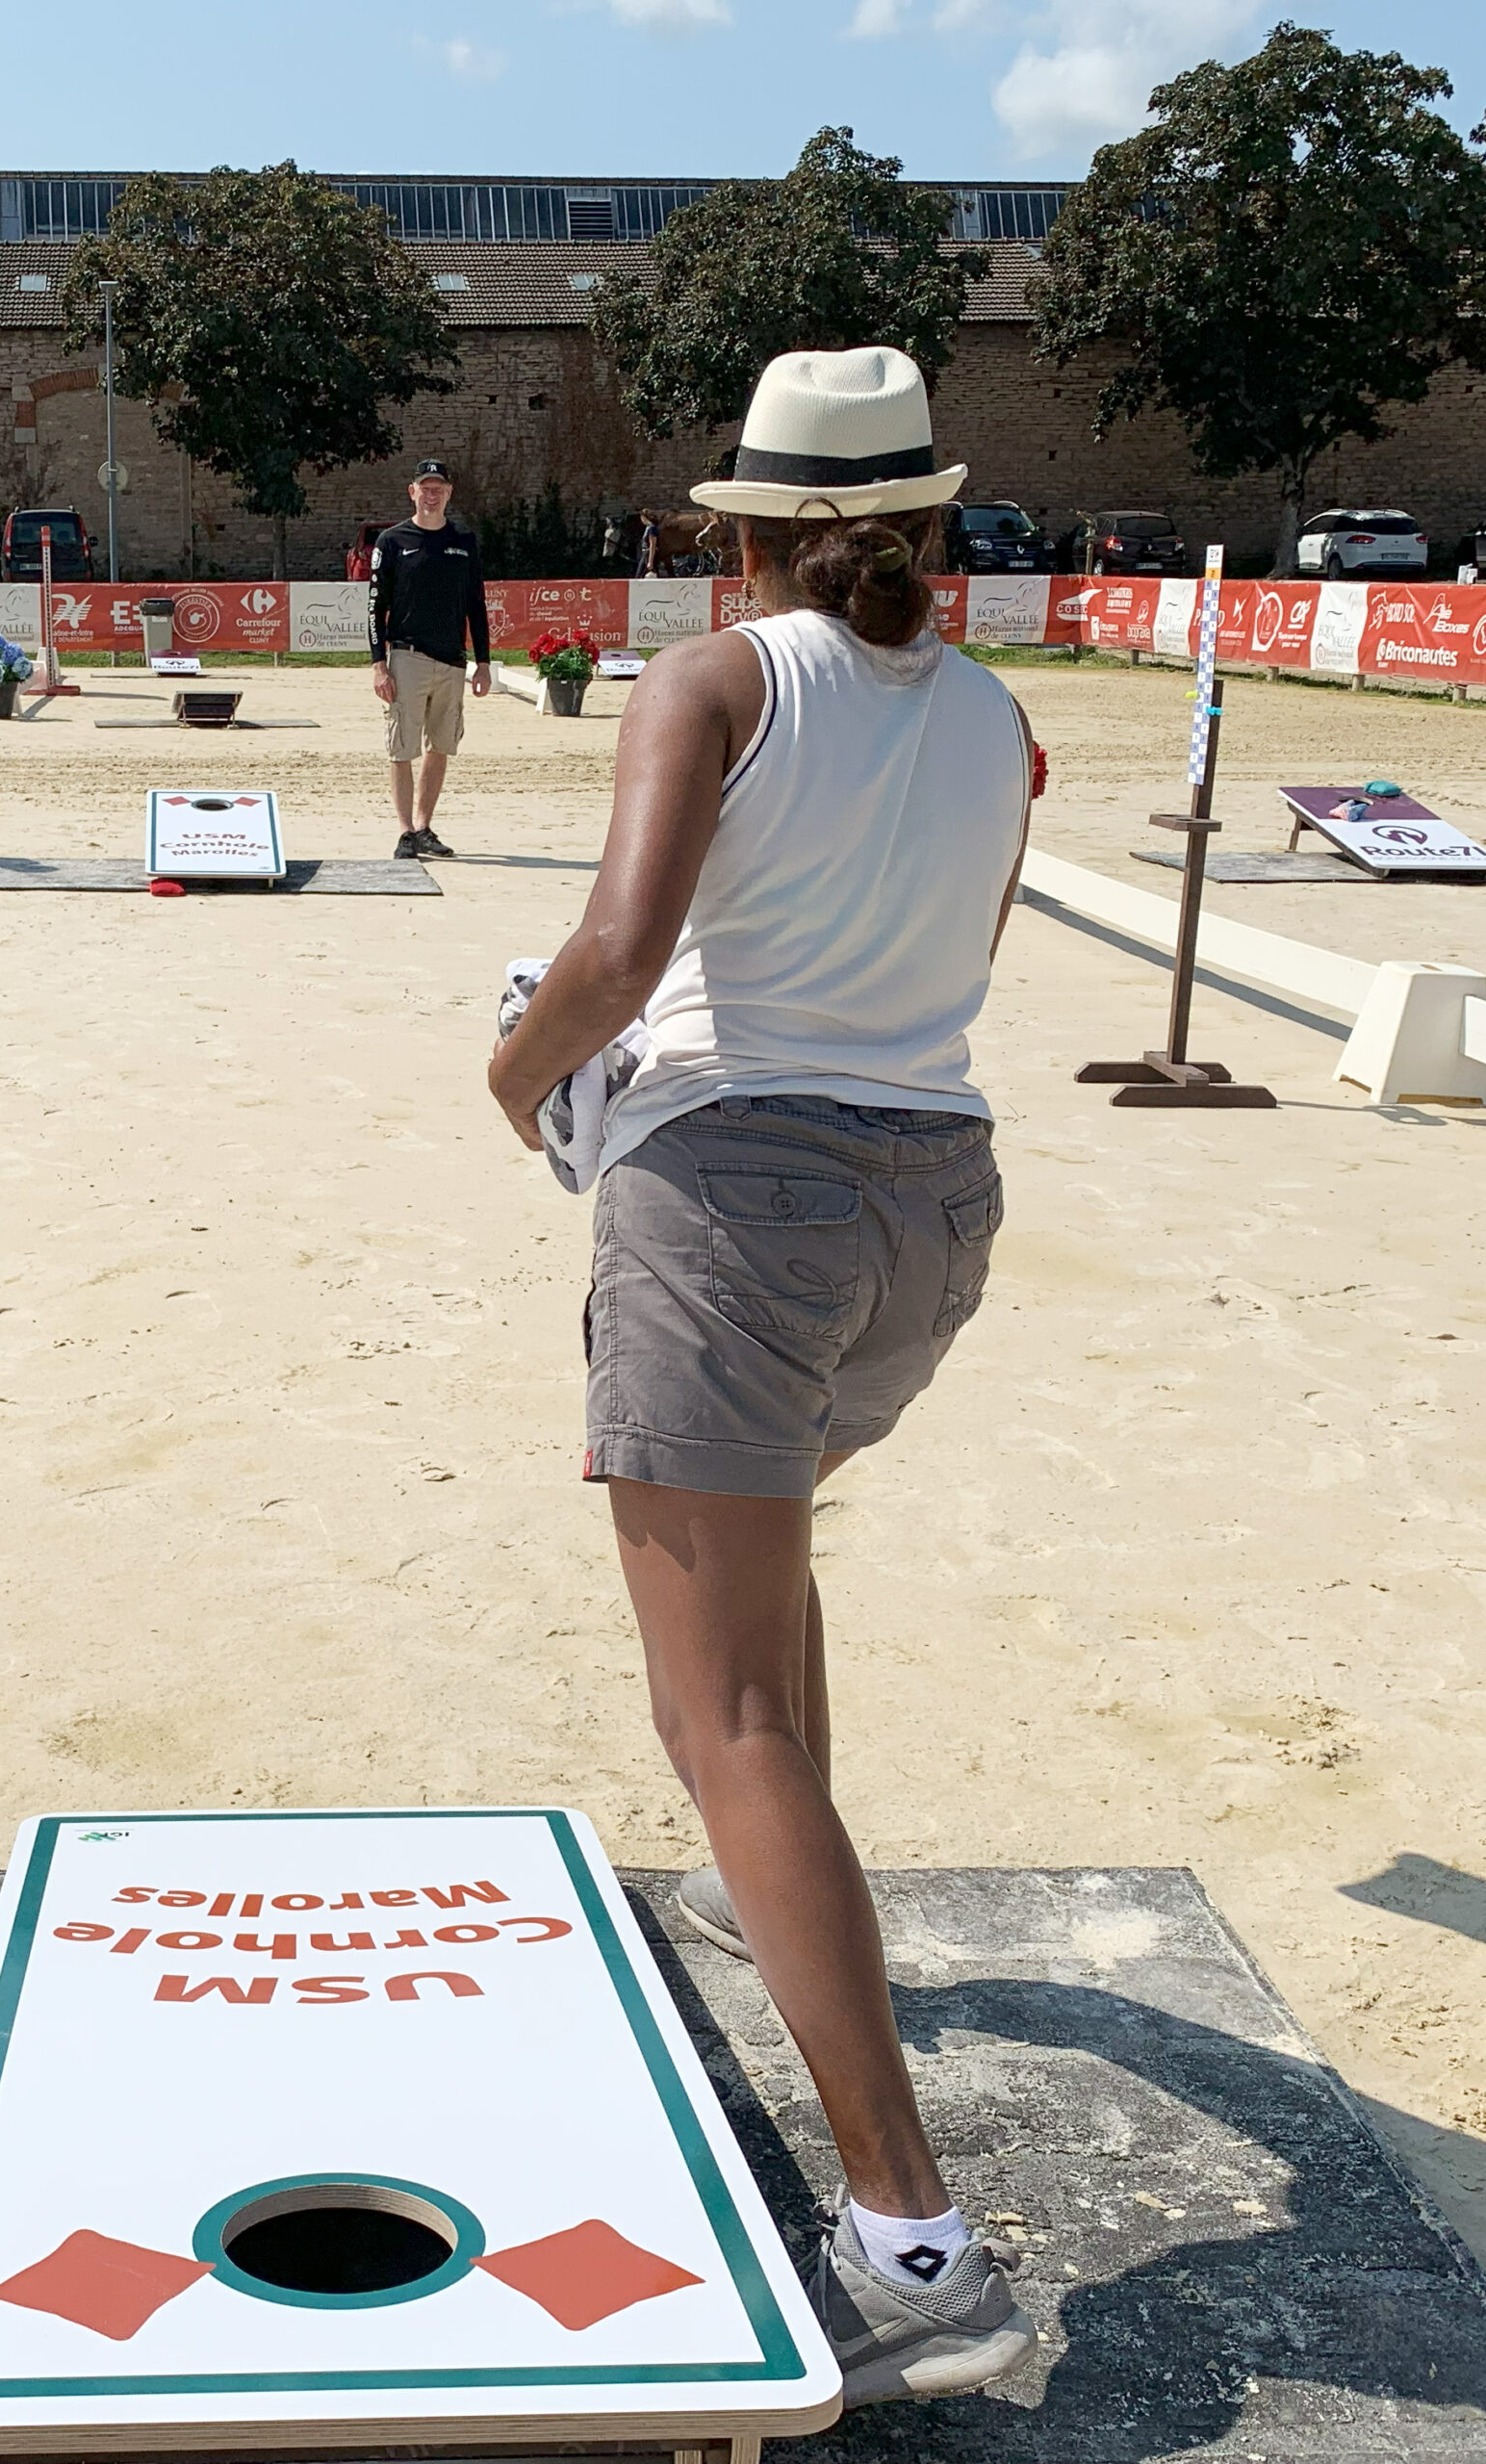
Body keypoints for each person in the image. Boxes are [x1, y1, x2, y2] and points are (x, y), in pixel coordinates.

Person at [487, 347, 1041, 2405]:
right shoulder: (993, 712)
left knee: (711, 1704)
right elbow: (950, 961)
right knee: (770, 1593)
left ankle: (905, 2231)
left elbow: (621, 956)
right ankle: (765, 1910)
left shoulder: (711, 680)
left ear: (740, 531)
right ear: (918, 515)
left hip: (736, 1188)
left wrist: (516, 1074)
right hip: (930, 1198)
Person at [368, 456, 492, 860]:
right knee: (402, 747)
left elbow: (477, 604)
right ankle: (404, 832)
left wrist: (484, 662)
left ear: (449, 492)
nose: (432, 492)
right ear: (413, 492)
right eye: (425, 486)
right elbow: (375, 606)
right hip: (407, 657)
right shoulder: (392, 542)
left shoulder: (465, 542)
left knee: (441, 746)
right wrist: (378, 664)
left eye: (439, 486)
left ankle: (424, 827)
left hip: (453, 662)